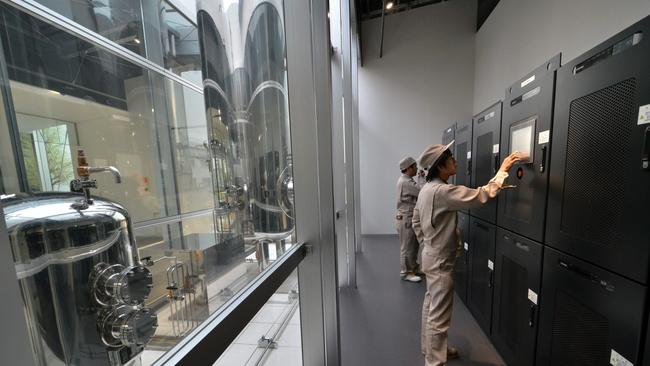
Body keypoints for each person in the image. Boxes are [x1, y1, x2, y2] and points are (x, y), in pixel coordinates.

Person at [412, 141, 525, 366]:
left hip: (430, 255)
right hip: (440, 260)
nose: (455, 160)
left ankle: (432, 350)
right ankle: (434, 362)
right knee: (439, 315)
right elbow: (480, 195)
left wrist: (430, 243)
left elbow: (416, 221)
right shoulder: (443, 191)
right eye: (451, 158)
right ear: (440, 167)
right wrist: (502, 171)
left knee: (431, 303)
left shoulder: (427, 189)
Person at [396, 156, 423, 283]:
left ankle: (414, 269)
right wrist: (423, 178)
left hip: (408, 216)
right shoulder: (406, 182)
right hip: (406, 217)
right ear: (408, 168)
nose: (417, 169)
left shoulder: (407, 180)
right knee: (407, 246)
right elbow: (422, 192)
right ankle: (406, 273)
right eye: (415, 167)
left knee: (413, 245)